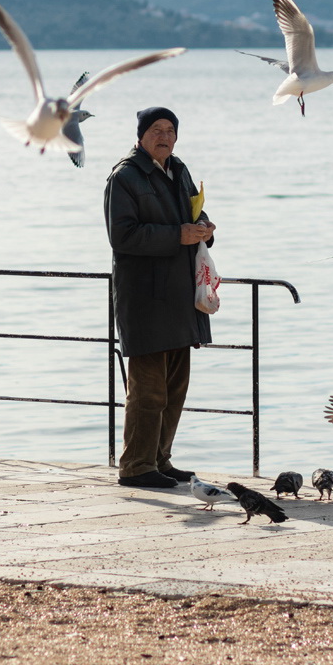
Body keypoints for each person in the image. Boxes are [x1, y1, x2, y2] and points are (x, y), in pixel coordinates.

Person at [104, 107, 215, 488]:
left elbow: (194, 212)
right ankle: (136, 466)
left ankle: (159, 460)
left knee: (174, 389)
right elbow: (122, 236)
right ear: (140, 135)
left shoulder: (178, 169)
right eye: (156, 130)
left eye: (170, 130)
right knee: (148, 391)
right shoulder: (124, 177)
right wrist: (177, 236)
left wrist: (205, 229)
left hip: (181, 297)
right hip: (146, 298)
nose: (164, 136)